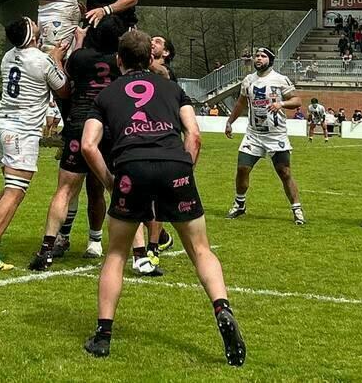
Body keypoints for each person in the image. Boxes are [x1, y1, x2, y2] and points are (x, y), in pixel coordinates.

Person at [79, 30, 245, 366]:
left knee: (116, 253)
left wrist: (110, 182)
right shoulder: (173, 89)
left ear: (119, 60)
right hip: (174, 164)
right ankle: (222, 308)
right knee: (200, 249)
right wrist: (184, 173)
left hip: (131, 168)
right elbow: (194, 136)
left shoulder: (107, 93)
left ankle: (103, 335)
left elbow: (87, 145)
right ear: (151, 58)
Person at [0, 19, 68, 270]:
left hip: (2, 127)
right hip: (22, 134)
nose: (35, 22)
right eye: (32, 24)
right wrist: (57, 58)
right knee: (15, 192)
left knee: (8, 188)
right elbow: (64, 90)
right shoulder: (42, 61)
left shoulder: (7, 57)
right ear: (31, 36)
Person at [30, 17, 126, 271]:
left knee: (65, 190)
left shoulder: (80, 58)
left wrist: (77, 41)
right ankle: (107, 244)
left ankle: (47, 248)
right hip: (107, 130)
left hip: (78, 127)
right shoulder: (120, 60)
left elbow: (64, 73)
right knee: (106, 188)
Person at [223, 47, 305, 225]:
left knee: (284, 172)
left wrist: (281, 103)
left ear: (270, 60)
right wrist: (230, 122)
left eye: (263, 56)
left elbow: (297, 101)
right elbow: (240, 103)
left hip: (276, 135)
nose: (258, 59)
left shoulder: (280, 79)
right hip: (253, 134)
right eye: (257, 56)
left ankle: (297, 209)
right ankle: (239, 204)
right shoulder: (248, 80)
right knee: (242, 169)